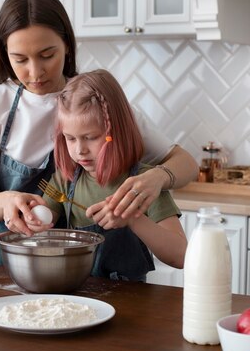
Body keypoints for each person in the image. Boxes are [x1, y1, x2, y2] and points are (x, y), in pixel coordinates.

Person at [0, 0, 198, 265]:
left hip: (65, 269)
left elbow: (186, 163)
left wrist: (156, 178)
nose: (35, 72)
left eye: (47, 55)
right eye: (20, 59)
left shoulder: (96, 100)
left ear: (67, 45)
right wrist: (6, 201)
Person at [26, 69, 186, 280]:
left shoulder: (144, 185)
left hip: (132, 301)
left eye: (90, 137)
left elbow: (181, 256)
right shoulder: (65, 180)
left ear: (116, 133)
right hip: (78, 297)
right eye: (70, 138)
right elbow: (42, 232)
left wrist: (133, 219)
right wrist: (31, 221)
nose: (80, 150)